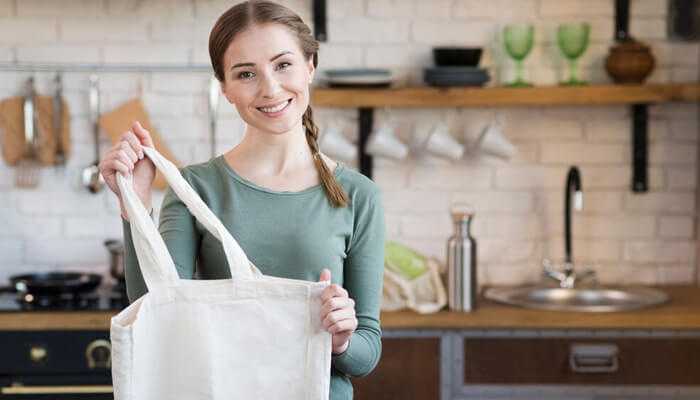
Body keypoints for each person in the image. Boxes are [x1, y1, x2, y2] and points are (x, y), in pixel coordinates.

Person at [98, 1, 385, 398]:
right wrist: (136, 203)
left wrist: (342, 338)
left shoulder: (359, 196)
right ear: (226, 89)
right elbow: (158, 312)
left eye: (283, 65)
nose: (269, 88)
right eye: (246, 73)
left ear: (310, 66)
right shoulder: (195, 187)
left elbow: (367, 353)